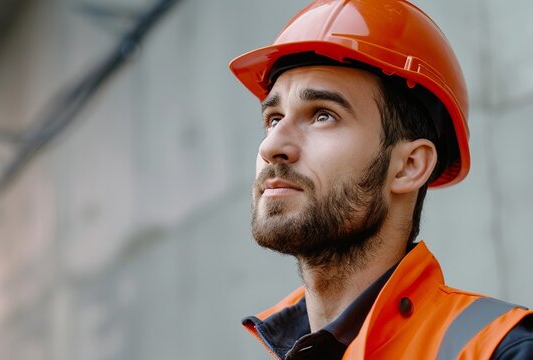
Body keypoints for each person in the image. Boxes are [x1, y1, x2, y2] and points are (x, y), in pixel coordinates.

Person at [228, 0, 533, 359]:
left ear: (409, 166)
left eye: (323, 115)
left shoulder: (503, 350)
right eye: (274, 119)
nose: (272, 145)